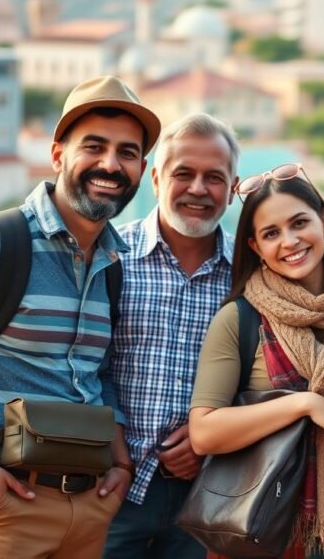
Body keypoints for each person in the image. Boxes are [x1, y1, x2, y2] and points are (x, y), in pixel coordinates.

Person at [0, 75, 160, 558]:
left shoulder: (113, 265)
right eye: (94, 146)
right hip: (1, 505)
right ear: (57, 155)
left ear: (141, 168)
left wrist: (121, 466)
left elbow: (97, 374)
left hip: (88, 509)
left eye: (127, 153)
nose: (111, 164)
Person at [188, 164, 324, 559]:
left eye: (299, 223)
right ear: (255, 247)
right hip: (263, 531)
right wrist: (304, 404)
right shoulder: (240, 319)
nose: (290, 241)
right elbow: (204, 433)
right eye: (271, 233)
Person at [104, 113, 240, 559]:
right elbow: (82, 364)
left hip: (207, 497)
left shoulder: (250, 276)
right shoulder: (110, 258)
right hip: (110, 491)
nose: (198, 189)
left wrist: (210, 440)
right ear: (156, 179)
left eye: (214, 177)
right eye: (184, 173)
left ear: (233, 188)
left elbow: (269, 377)